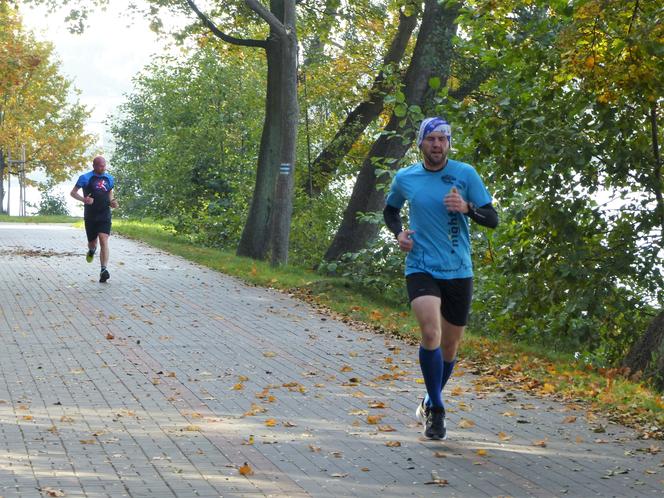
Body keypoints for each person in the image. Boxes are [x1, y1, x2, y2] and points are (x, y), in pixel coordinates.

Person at [383, 117, 498, 440]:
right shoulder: (406, 177)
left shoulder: (465, 174)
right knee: (430, 332)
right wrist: (399, 234)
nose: (437, 144)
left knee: (450, 346)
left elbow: (492, 219)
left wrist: (466, 207)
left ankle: (429, 398)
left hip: (459, 269)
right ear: (421, 143)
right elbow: (390, 211)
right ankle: (437, 410)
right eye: (431, 139)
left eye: (442, 139)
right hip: (421, 266)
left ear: (449, 144)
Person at [70, 155, 119, 283]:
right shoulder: (85, 178)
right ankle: (91, 250)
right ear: (94, 166)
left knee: (104, 240)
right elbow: (73, 193)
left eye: (104, 165)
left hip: (104, 214)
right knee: (93, 243)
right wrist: (84, 200)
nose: (103, 168)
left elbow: (109, 192)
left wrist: (112, 201)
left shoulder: (109, 178)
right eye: (101, 166)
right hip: (91, 216)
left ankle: (103, 270)